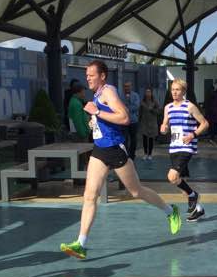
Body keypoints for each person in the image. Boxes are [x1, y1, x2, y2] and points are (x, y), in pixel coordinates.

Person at [59, 60, 180, 260]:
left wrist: (97, 112)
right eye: (87, 75)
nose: (87, 78)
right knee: (89, 196)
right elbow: (106, 118)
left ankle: (170, 211)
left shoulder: (108, 91)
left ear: (102, 76)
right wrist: (94, 122)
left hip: (115, 150)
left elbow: (124, 118)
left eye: (91, 75)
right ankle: (81, 243)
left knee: (136, 191)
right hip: (100, 150)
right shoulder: (97, 94)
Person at [160, 79, 209, 221]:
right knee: (180, 182)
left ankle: (194, 195)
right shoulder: (168, 107)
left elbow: (205, 123)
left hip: (186, 147)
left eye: (177, 89)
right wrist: (164, 129)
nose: (174, 92)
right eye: (173, 89)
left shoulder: (190, 106)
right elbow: (165, 126)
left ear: (183, 91)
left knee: (172, 176)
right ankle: (198, 209)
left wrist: (193, 135)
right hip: (174, 147)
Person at [139, 87, 161, 160]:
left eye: (149, 92)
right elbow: (140, 112)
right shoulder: (142, 102)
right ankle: (145, 153)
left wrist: (152, 110)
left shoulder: (154, 102)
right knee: (144, 139)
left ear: (151, 93)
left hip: (152, 123)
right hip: (144, 123)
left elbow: (159, 111)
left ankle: (150, 154)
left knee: (151, 139)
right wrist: (139, 120)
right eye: (146, 92)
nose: (148, 93)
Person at [122, 82, 141, 160]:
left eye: (128, 86)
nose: (127, 88)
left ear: (131, 87)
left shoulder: (135, 96)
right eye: (125, 86)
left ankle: (132, 154)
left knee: (133, 139)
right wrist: (126, 107)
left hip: (133, 121)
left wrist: (126, 107)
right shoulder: (121, 96)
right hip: (123, 121)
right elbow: (119, 106)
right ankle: (125, 154)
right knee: (124, 138)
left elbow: (136, 106)